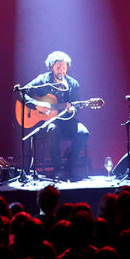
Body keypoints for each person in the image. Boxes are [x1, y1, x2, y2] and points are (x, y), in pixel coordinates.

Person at [21, 50, 89, 181]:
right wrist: (36, 105)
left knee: (84, 133)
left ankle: (70, 168)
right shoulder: (43, 80)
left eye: (64, 67)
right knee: (52, 130)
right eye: (58, 67)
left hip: (67, 120)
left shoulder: (73, 84)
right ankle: (58, 169)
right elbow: (23, 93)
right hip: (50, 120)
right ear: (51, 67)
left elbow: (76, 106)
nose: (61, 70)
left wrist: (73, 109)